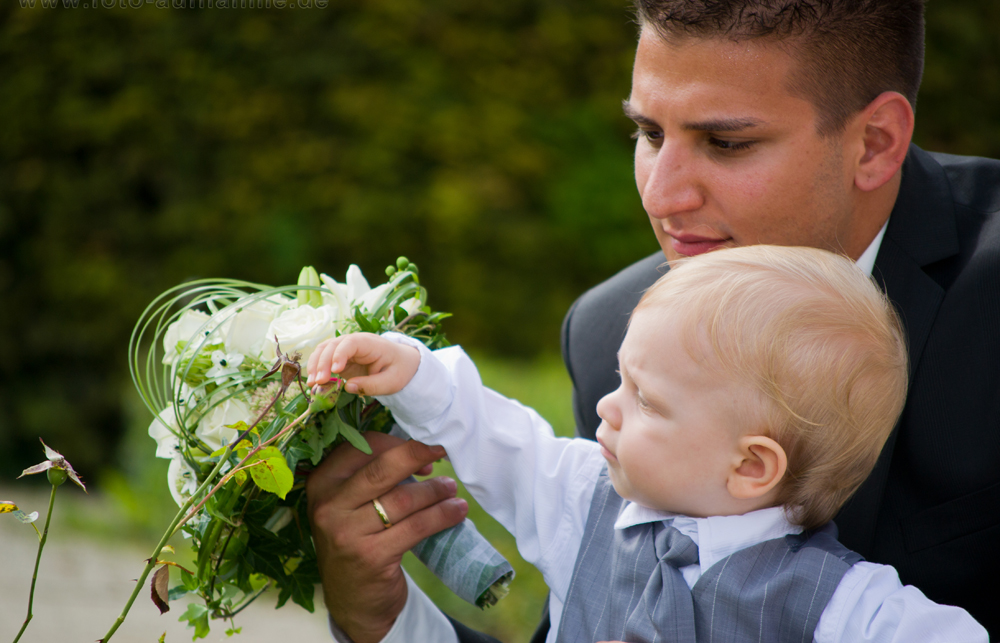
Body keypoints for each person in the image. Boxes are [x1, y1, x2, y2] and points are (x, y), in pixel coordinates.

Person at [305, 0, 1000, 640]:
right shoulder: (611, 329)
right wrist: (381, 619)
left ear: (874, 142)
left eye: (725, 143)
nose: (660, 197)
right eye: (650, 134)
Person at [305, 245, 986, 642]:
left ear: (750, 464)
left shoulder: (845, 605)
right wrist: (417, 374)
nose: (608, 406)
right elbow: (502, 440)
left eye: (646, 400)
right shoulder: (584, 502)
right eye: (620, 380)